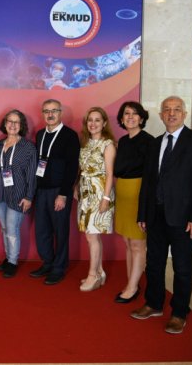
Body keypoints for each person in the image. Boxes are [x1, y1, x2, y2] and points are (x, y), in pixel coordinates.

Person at [131, 96, 192, 335]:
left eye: (177, 109)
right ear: (161, 115)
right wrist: (143, 213)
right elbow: (148, 183)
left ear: (184, 114)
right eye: (167, 110)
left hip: (184, 219)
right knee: (154, 263)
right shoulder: (155, 143)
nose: (171, 113)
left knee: (182, 267)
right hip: (155, 217)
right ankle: (154, 304)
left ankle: (179, 313)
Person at [31, 99, 80, 285]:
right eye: (46, 111)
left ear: (60, 113)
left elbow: (72, 167)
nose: (50, 114)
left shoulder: (69, 136)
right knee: (42, 230)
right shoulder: (40, 134)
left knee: (60, 231)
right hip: (41, 190)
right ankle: (47, 263)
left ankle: (59, 268)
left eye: (54, 111)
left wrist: (63, 194)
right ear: (42, 114)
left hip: (59, 191)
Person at [0, 110, 37, 278]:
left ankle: (12, 261)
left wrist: (29, 197)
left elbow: (32, 174)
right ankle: (8, 257)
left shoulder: (28, 147)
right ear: (5, 123)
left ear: (21, 125)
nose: (13, 125)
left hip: (18, 194)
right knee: (4, 228)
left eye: (17, 122)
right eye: (10, 121)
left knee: (12, 229)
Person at [113, 101, 153, 303]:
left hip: (139, 195)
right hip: (122, 195)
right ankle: (132, 282)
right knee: (128, 242)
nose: (130, 117)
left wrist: (145, 206)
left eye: (135, 113)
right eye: (126, 114)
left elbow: (151, 176)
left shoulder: (149, 141)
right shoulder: (122, 141)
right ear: (121, 119)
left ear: (142, 118)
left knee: (138, 243)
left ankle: (132, 287)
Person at [76, 107, 116, 292]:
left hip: (100, 193)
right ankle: (99, 272)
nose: (93, 123)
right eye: (90, 120)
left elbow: (110, 174)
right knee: (91, 234)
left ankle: (93, 275)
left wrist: (105, 198)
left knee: (92, 235)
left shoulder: (108, 144)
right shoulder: (85, 143)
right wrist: (76, 186)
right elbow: (82, 168)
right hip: (85, 193)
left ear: (104, 123)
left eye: (97, 120)